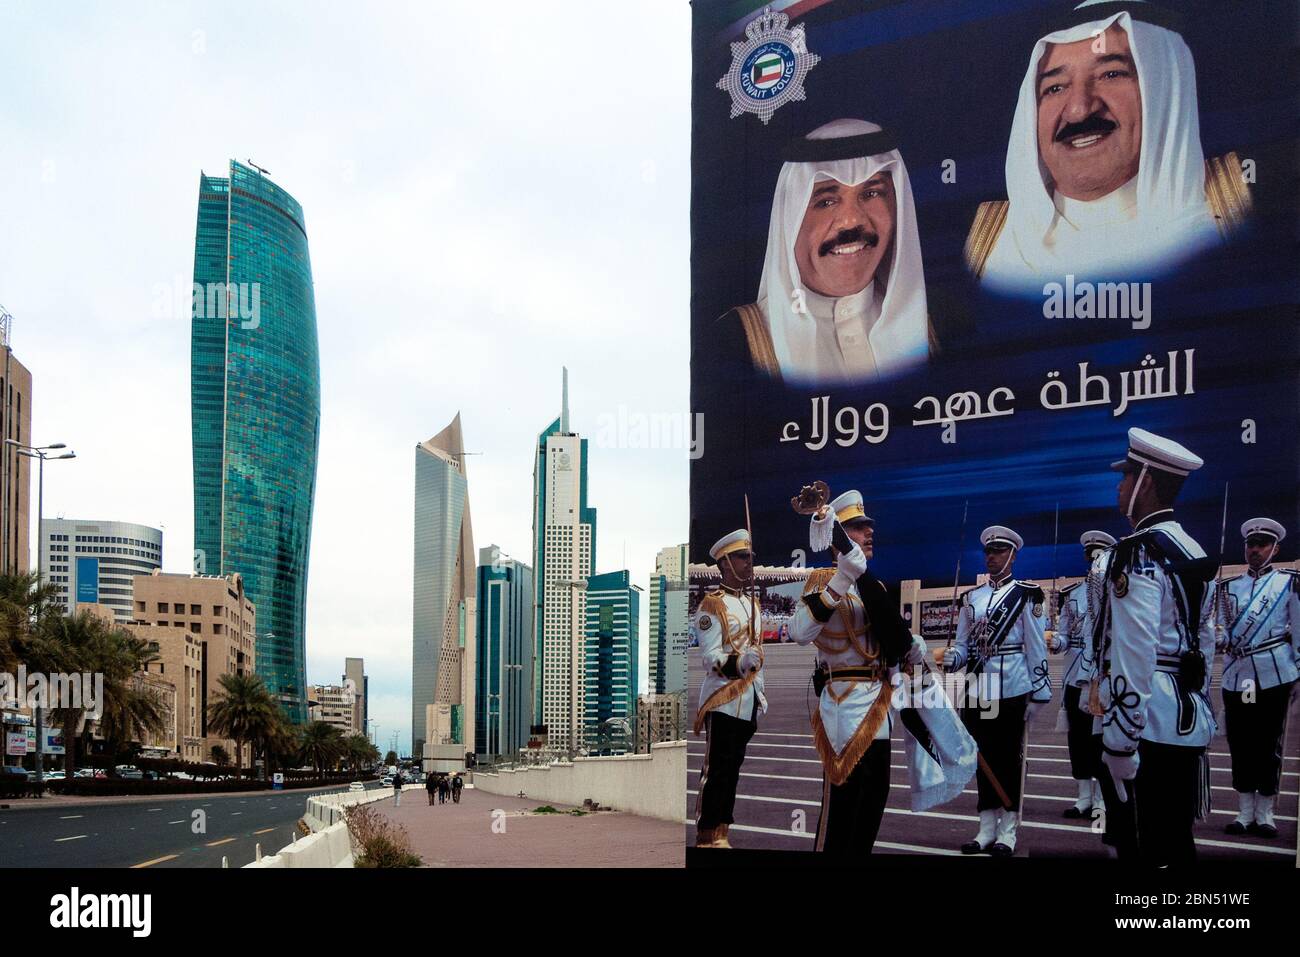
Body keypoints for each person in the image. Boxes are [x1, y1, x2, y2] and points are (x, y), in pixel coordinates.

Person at [966, 0, 1251, 289]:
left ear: (1162, 90)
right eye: (1055, 88)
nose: (1079, 109)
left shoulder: (1235, 203)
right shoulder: (986, 243)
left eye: (1111, 74)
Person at [790, 489, 973, 856]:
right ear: (838, 537)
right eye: (857, 528)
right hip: (843, 708)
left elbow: (885, 640)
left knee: (872, 804)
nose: (869, 533)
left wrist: (909, 645)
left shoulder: (873, 585)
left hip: (878, 706)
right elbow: (799, 633)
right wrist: (841, 580)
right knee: (841, 812)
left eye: (868, 526)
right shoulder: (822, 580)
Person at [720, 118, 932, 385]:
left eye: (871, 194)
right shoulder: (731, 343)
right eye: (827, 201)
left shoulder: (942, 327)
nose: (851, 221)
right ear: (791, 218)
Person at [1090, 427, 1216, 865]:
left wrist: (1121, 742)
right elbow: (1206, 642)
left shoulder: (1136, 553)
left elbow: (1134, 652)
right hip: (1184, 716)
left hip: (1145, 727)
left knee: (1141, 849)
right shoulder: (1193, 548)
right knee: (1176, 845)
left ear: (1145, 481)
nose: (1119, 486)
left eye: (1126, 477)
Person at [943, 524, 1051, 856]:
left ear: (1013, 555)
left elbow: (1035, 647)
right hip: (979, 688)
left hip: (1013, 686)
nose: (992, 557)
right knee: (982, 758)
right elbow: (964, 645)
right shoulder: (971, 598)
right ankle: (985, 828)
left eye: (999, 551)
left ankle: (1008, 830)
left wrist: (1040, 691)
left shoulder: (1027, 594)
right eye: (989, 551)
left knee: (1008, 760)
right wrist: (954, 657)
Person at [1216, 517, 1300, 838]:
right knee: (1241, 743)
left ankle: (1265, 814)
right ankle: (1244, 811)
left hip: (1273, 674)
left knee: (1268, 744)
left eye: (1262, 544)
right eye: (1251, 544)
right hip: (1239, 678)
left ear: (1275, 548)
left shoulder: (1288, 583)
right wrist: (1219, 635)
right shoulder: (1228, 587)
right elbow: (1219, 629)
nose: (1255, 549)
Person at [693, 528, 766, 848]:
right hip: (722, 699)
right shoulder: (712, 605)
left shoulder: (753, 603)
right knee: (717, 771)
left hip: (747, 699)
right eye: (742, 557)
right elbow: (709, 658)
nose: (749, 562)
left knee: (733, 769)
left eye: (750, 557)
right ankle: (707, 833)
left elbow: (758, 655)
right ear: (724, 563)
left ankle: (723, 831)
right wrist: (739, 663)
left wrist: (759, 693)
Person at [1050, 529, 1115, 818]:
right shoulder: (1071, 594)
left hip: (1101, 675)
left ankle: (1102, 797)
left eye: (1099, 559)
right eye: (1091, 559)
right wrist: (1055, 641)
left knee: (1099, 737)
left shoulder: (1116, 594)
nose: (1093, 565)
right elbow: (1064, 637)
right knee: (1077, 737)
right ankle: (1083, 796)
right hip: (1075, 675)